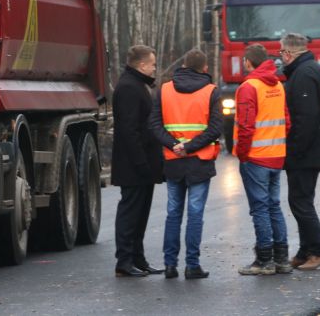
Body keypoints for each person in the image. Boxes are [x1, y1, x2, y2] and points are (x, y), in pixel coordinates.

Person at [149, 49, 222, 279]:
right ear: (205, 68)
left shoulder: (165, 90)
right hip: (199, 161)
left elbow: (154, 124)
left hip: (173, 161)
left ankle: (170, 265)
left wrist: (174, 145)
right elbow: (215, 128)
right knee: (195, 213)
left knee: (173, 213)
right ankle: (192, 265)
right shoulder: (211, 92)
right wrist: (190, 146)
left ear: (183, 65)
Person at [233, 44, 292, 275]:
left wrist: (243, 154)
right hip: (276, 155)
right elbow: (286, 121)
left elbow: (246, 126)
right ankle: (282, 259)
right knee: (274, 206)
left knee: (259, 209)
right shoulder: (277, 84)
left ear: (248, 62)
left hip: (256, 157)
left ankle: (264, 261)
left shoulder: (249, 87)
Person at [279, 33, 320, 271]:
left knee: (301, 202)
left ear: (289, 53)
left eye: (281, 52)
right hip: (312, 150)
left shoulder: (304, 74)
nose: (280, 57)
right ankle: (305, 250)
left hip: (307, 152)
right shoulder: (308, 69)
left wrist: (295, 151)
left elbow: (306, 118)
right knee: (301, 200)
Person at [112, 45, 165, 277]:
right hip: (133, 165)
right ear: (142, 65)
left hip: (144, 164)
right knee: (130, 213)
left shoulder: (138, 85)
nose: (154, 68)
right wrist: (141, 163)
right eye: (152, 64)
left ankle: (138, 258)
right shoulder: (128, 88)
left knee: (141, 213)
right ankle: (124, 261)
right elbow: (129, 130)